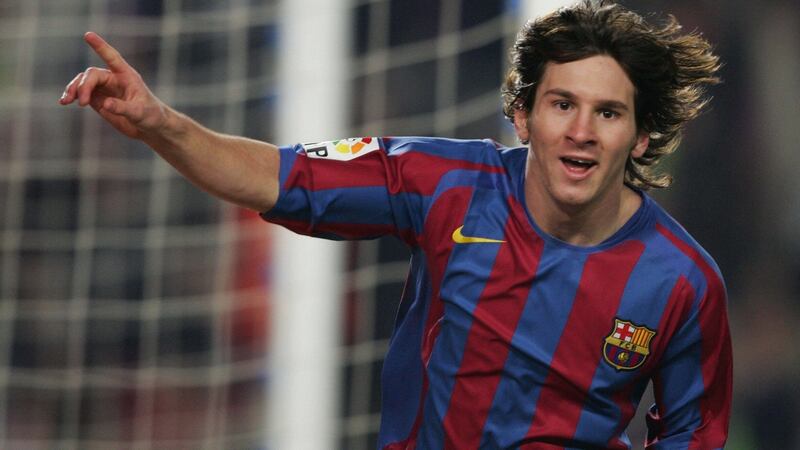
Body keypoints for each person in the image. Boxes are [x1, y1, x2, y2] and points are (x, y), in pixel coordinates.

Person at [60, 0, 732, 448]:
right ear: (523, 116)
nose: (581, 132)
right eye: (562, 104)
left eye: (608, 113)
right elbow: (275, 176)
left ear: (642, 137)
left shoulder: (683, 283)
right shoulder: (445, 184)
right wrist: (160, 124)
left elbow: (690, 435)